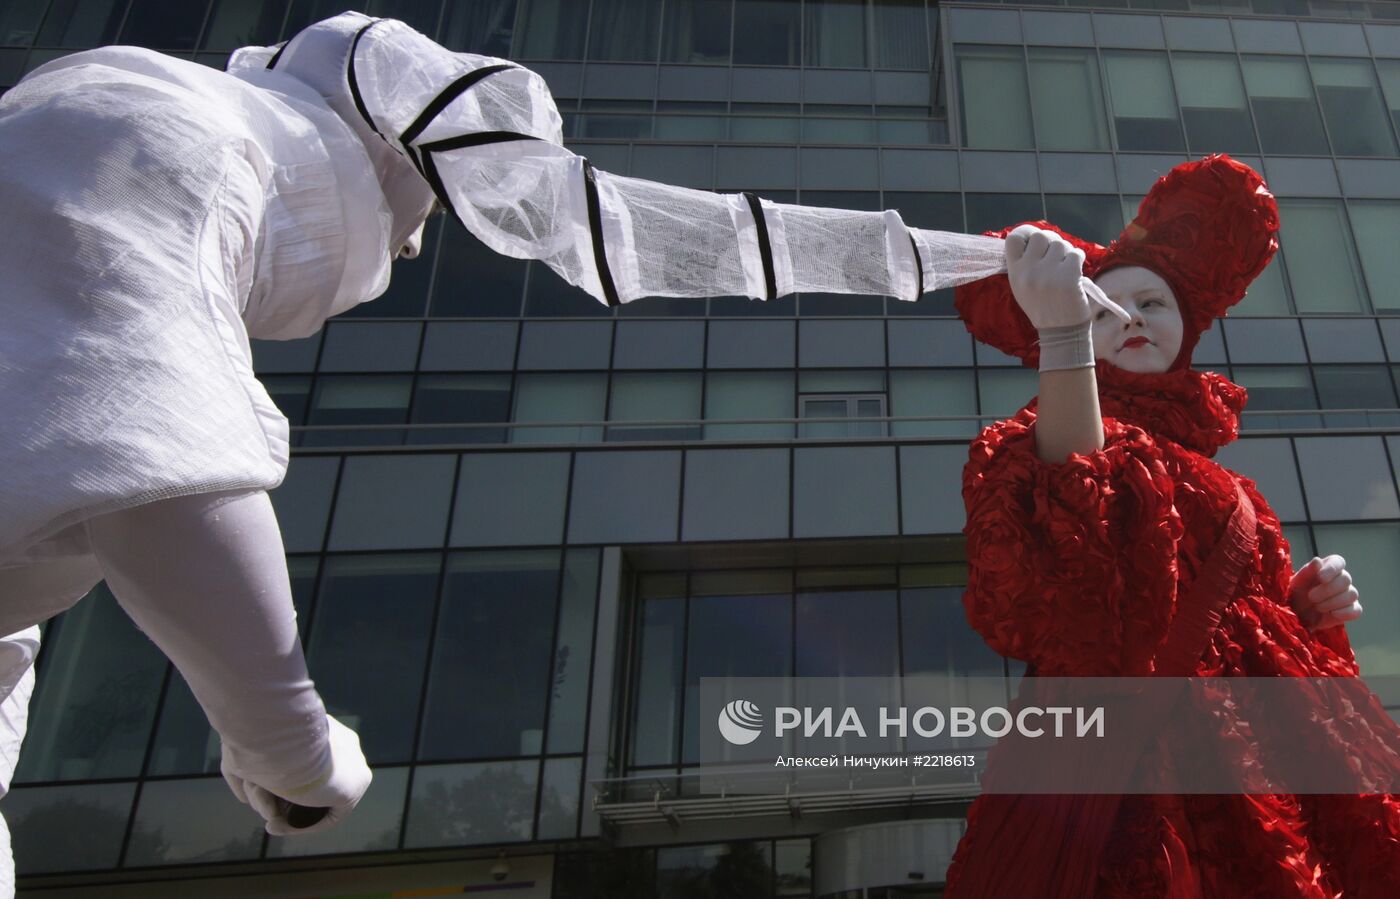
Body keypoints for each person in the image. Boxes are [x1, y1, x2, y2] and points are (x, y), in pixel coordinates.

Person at [0, 10, 1025, 871]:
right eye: (420, 220)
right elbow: (147, 445)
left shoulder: (89, 113)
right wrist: (288, 740)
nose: (411, 245)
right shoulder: (148, 130)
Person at [943, 154, 1399, 896]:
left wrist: (1303, 613)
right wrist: (1062, 337)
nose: (1126, 317)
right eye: (1099, 310)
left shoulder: (1236, 486)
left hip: (1267, 757)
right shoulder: (1043, 438)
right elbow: (1072, 564)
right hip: (1140, 766)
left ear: (1188, 327)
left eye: (1151, 302)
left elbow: (1238, 617)